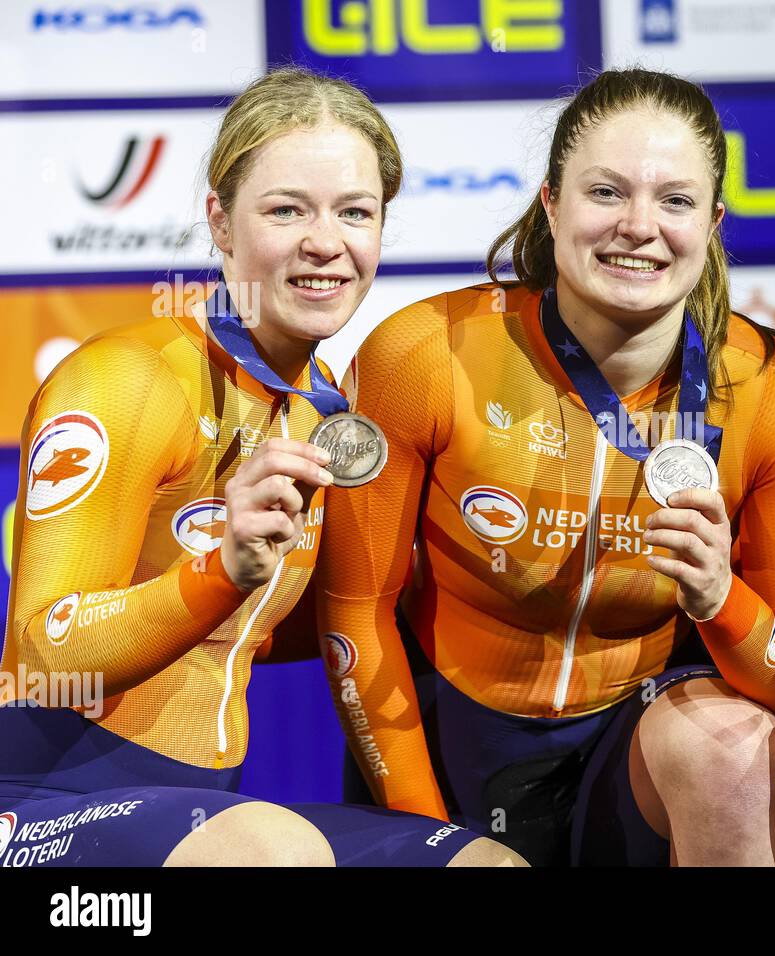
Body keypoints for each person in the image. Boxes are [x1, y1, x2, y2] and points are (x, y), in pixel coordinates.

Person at [317, 68, 775, 866]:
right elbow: (355, 613)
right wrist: (435, 838)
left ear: (712, 224)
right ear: (551, 204)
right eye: (606, 193)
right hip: (441, 748)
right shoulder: (423, 354)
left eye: (675, 201)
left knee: (732, 743)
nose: (639, 226)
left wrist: (720, 599)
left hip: (635, 760)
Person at [0, 67, 521, 867]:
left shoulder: (329, 418)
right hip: (38, 801)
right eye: (287, 210)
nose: (326, 242)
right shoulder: (128, 380)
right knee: (272, 854)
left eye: (355, 212)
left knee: (481, 864)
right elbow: (42, 655)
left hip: (205, 811)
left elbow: (288, 629)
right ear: (220, 220)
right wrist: (220, 570)